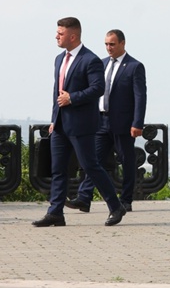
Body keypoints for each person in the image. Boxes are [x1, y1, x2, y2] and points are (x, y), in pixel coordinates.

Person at [32, 18, 126, 228]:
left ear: (72, 36)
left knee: (90, 166)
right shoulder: (58, 59)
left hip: (82, 125)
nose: (56, 36)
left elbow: (97, 88)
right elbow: (57, 92)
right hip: (60, 125)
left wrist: (72, 97)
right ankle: (55, 213)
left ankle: (115, 206)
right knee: (58, 170)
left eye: (60, 33)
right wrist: (54, 119)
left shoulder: (89, 60)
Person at [66, 29, 147, 214]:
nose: (108, 48)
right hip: (100, 121)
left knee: (127, 161)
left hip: (123, 123)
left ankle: (125, 200)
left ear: (122, 44)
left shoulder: (134, 66)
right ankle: (84, 198)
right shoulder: (100, 64)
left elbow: (140, 97)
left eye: (112, 44)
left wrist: (137, 123)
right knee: (92, 161)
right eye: (106, 44)